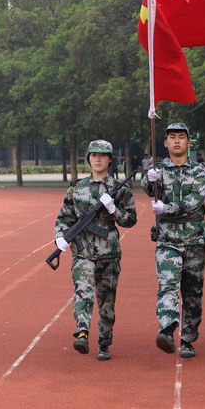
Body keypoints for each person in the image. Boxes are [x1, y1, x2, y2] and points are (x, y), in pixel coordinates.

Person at [54, 140, 137, 360]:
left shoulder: (120, 189)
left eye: (102, 155)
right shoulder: (77, 188)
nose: (97, 159)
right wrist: (59, 238)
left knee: (106, 301)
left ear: (110, 159)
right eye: (93, 155)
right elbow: (64, 217)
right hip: (82, 251)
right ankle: (82, 332)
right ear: (88, 158)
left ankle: (104, 343)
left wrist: (114, 210)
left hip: (109, 252)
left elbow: (130, 221)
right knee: (84, 291)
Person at [142, 122, 205, 358]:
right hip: (167, 239)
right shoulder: (159, 169)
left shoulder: (201, 171)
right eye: (172, 137)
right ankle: (168, 327)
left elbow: (196, 200)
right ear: (165, 143)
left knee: (193, 292)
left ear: (189, 142)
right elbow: (148, 190)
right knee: (167, 285)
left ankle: (188, 338)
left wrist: (167, 207)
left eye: (181, 137)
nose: (176, 141)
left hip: (194, 238)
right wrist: (148, 178)